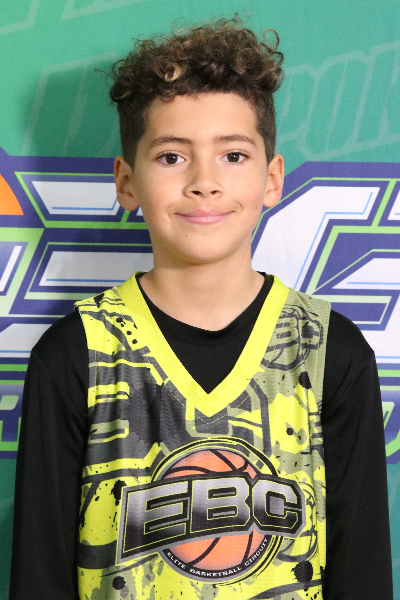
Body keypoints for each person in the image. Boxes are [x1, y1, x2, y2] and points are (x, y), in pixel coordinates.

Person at [10, 18, 392, 600]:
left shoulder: (327, 350)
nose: (205, 182)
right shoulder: (76, 353)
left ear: (272, 179)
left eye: (233, 155)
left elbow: (362, 571)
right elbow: (39, 575)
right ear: (127, 181)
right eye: (171, 157)